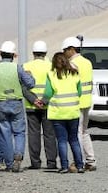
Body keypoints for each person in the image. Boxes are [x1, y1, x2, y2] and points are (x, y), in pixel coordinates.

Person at [0, 41, 35, 172]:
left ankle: (9, 164)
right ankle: (18, 155)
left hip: (0, 104)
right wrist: (31, 77)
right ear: (14, 55)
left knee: (5, 134)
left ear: (0, 54)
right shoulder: (18, 68)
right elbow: (30, 84)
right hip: (16, 102)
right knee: (19, 132)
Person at [43, 52, 84, 173]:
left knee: (61, 140)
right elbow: (79, 92)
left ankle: (65, 166)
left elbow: (48, 93)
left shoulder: (51, 75)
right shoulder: (75, 73)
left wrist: (42, 101)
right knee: (74, 139)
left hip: (58, 113)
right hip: (73, 112)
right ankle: (80, 165)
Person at [62, 36, 96, 171]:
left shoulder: (72, 64)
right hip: (87, 101)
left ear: (71, 49)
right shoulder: (87, 62)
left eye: (65, 50)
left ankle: (79, 161)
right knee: (84, 132)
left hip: (77, 103)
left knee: (76, 133)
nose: (64, 53)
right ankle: (91, 161)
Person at [22, 40, 58, 170]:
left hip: (32, 107)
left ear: (33, 53)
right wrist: (44, 100)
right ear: (46, 52)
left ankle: (35, 163)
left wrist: (34, 100)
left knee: (33, 134)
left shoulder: (26, 66)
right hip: (48, 106)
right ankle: (52, 162)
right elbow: (54, 86)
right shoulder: (52, 66)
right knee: (50, 135)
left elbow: (24, 87)